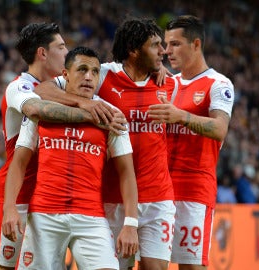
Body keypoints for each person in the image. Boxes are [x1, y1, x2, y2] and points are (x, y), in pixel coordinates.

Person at [34, 17, 177, 270]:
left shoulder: (169, 83)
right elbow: (44, 90)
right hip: (112, 198)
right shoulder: (103, 74)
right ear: (134, 50)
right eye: (155, 45)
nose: (163, 51)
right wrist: (85, 103)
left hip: (158, 197)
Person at [0, 22, 124, 270]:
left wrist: (158, 69)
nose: (65, 53)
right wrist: (91, 111)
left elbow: (110, 69)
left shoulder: (61, 86)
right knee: (6, 267)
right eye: (61, 47)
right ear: (43, 53)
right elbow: (35, 109)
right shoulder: (20, 86)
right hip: (17, 190)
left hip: (50, 193)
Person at [148, 15, 235, 270]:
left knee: (191, 267)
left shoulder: (218, 84)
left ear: (196, 44)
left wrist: (181, 117)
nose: (166, 51)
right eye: (165, 44)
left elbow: (220, 129)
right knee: (151, 265)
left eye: (175, 44)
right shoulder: (167, 83)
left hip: (193, 191)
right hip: (159, 190)